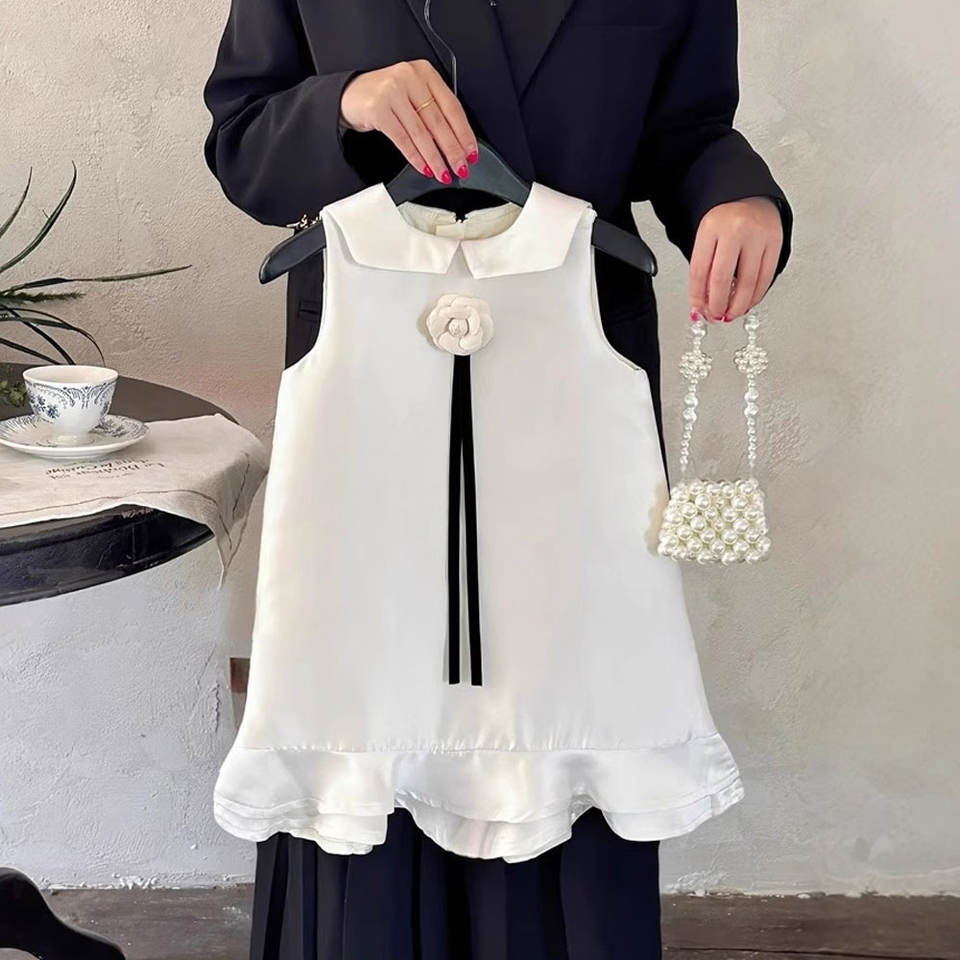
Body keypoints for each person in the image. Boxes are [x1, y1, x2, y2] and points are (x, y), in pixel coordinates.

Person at [202, 2, 792, 957]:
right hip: (368, 362)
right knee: (362, 686)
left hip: (576, 367)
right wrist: (348, 102)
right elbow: (244, 146)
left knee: (571, 697)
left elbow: (687, 131)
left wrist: (738, 198)